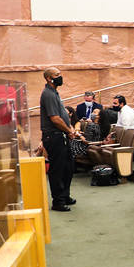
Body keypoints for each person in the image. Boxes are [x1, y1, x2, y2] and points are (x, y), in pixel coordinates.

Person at [39, 67, 80, 212]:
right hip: (54, 136)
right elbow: (55, 118)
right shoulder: (48, 94)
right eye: (57, 75)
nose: (60, 77)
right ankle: (58, 201)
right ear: (49, 78)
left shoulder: (55, 92)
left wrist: (70, 129)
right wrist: (69, 130)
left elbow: (62, 116)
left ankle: (65, 195)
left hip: (62, 135)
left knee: (68, 167)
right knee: (57, 169)